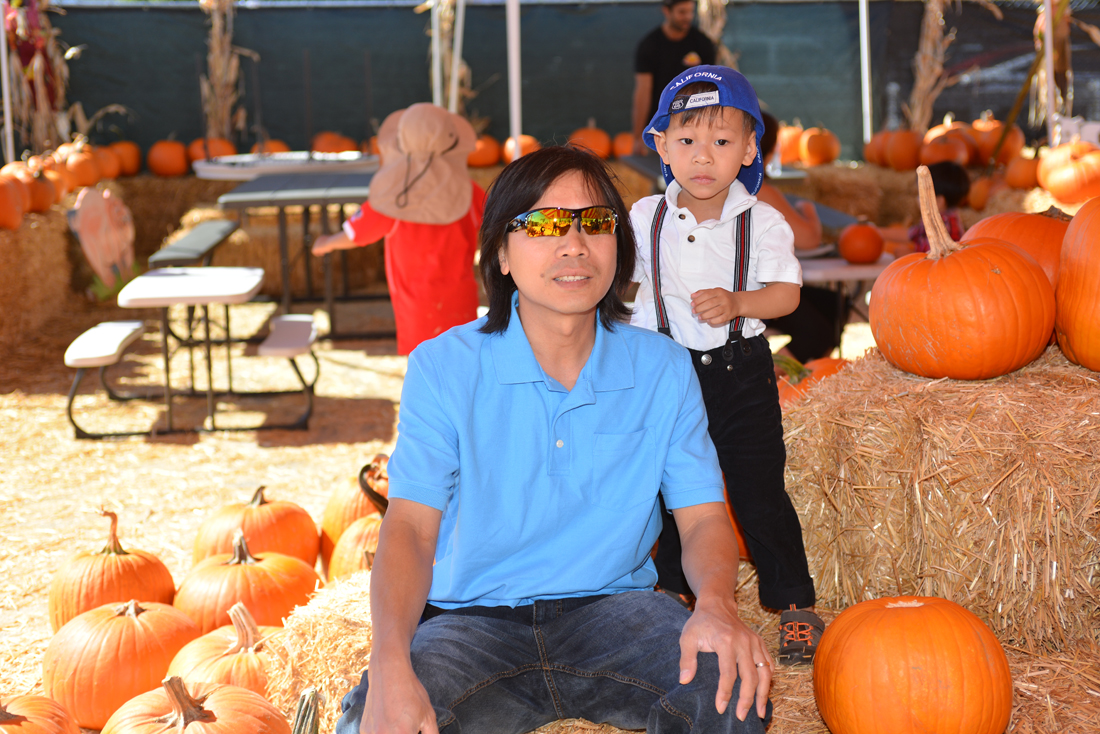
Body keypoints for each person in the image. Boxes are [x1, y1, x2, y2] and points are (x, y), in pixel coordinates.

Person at [335, 145, 773, 734]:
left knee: (733, 691)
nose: (574, 244)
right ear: (501, 254)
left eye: (595, 222)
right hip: (470, 623)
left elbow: (701, 520)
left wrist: (717, 605)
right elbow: (410, 528)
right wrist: (388, 663)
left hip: (618, 615)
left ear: (619, 247)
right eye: (542, 224)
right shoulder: (444, 367)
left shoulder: (664, 368)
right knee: (376, 716)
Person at [630, 65, 825, 665]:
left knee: (756, 486)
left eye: (721, 142)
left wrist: (740, 303)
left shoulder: (761, 221)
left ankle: (793, 602)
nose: (703, 156)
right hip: (663, 371)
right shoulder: (642, 219)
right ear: (661, 146)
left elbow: (786, 294)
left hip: (738, 370)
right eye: (686, 141)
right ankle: (668, 596)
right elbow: (618, 285)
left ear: (748, 150)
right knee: (662, 490)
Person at [312, 102, 484, 355]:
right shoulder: (469, 191)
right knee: (462, 361)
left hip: (416, 302)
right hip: (461, 296)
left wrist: (326, 242)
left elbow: (355, 234)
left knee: (425, 366)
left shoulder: (392, 199)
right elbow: (497, 225)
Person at [755, 111, 841, 364]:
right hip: (755, 291)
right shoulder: (761, 191)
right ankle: (772, 377)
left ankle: (794, 374)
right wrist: (810, 211)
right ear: (768, 153)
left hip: (748, 286)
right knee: (818, 333)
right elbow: (808, 239)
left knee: (833, 304)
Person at [631, 0, 716, 156]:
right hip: (660, 127)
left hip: (696, 126)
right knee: (659, 176)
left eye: (691, 12)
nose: (688, 17)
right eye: (682, 12)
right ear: (667, 11)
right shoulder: (649, 45)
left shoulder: (703, 43)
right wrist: (638, 136)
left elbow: (711, 87)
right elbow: (643, 91)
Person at [882, 160, 969, 256]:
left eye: (921, 195)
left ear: (938, 201)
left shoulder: (944, 226)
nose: (917, 199)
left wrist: (910, 254)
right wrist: (878, 232)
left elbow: (940, 258)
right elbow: (911, 234)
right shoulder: (934, 219)